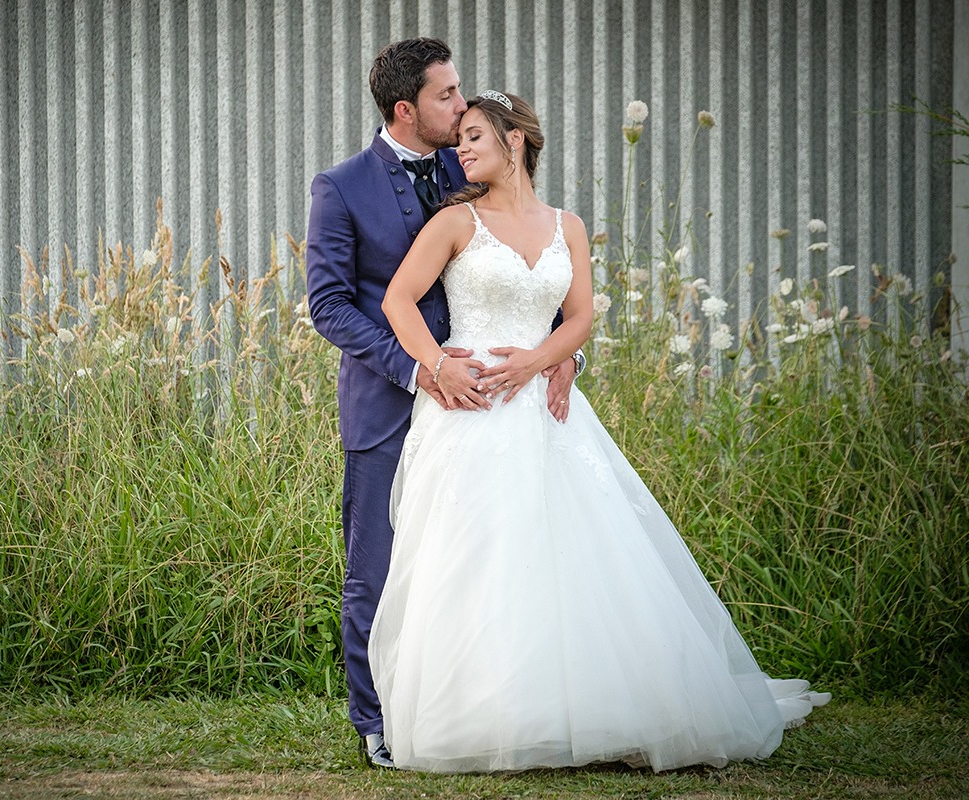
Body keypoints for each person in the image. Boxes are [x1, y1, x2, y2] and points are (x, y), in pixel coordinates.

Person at [371, 91, 830, 773]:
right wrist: (437, 364)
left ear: (516, 140)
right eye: (459, 137)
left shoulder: (569, 226)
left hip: (543, 407)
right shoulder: (455, 221)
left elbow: (580, 316)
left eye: (473, 136)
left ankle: (581, 707)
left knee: (565, 554)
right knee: (477, 556)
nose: (460, 150)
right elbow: (396, 300)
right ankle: (480, 714)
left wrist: (544, 359)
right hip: (468, 411)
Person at [305, 40, 586, 769]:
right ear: (407, 109)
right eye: (447, 96)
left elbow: (524, 272)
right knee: (377, 570)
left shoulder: (470, 167)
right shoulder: (340, 188)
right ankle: (378, 726)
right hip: (387, 408)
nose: (462, 107)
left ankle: (481, 709)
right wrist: (420, 370)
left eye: (461, 94)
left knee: (483, 564)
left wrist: (564, 354)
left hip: (493, 408)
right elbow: (329, 307)